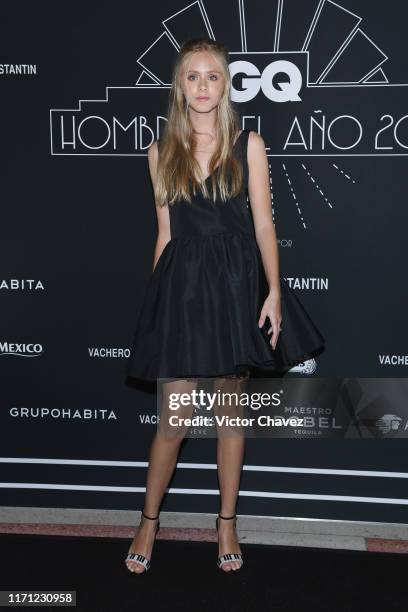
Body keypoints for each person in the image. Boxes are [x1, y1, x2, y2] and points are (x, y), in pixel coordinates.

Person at [124, 37, 325, 574]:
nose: (204, 86)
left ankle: (227, 523)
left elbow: (264, 224)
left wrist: (274, 293)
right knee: (174, 419)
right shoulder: (159, 151)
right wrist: (155, 311)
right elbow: (165, 235)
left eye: (213, 76)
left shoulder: (248, 144)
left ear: (226, 84)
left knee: (230, 417)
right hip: (183, 296)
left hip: (237, 290)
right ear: (179, 85)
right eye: (193, 76)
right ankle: (148, 521)